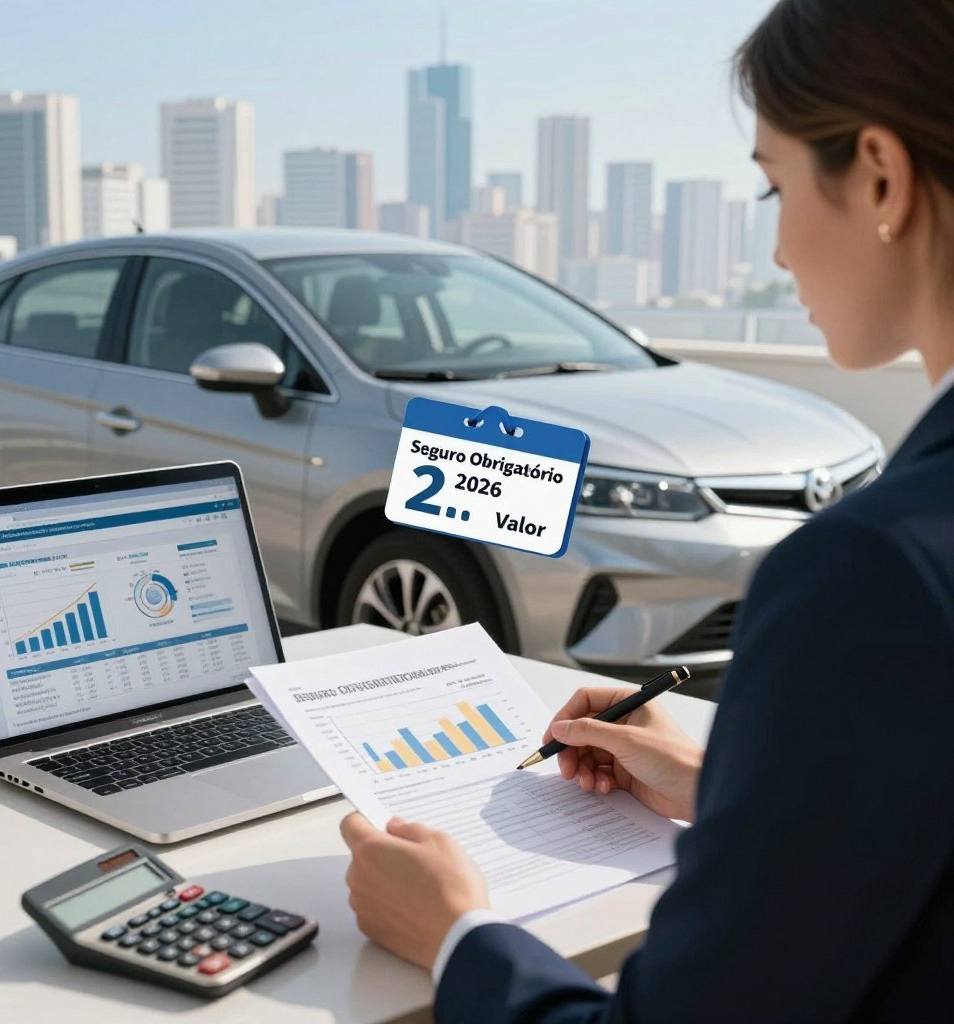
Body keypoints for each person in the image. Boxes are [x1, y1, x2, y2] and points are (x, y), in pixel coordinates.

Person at [340, 0, 954, 1019]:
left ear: (880, 176)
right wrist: (740, 788)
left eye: (774, 185)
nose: (777, 252)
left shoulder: (875, 570)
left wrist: (454, 932)